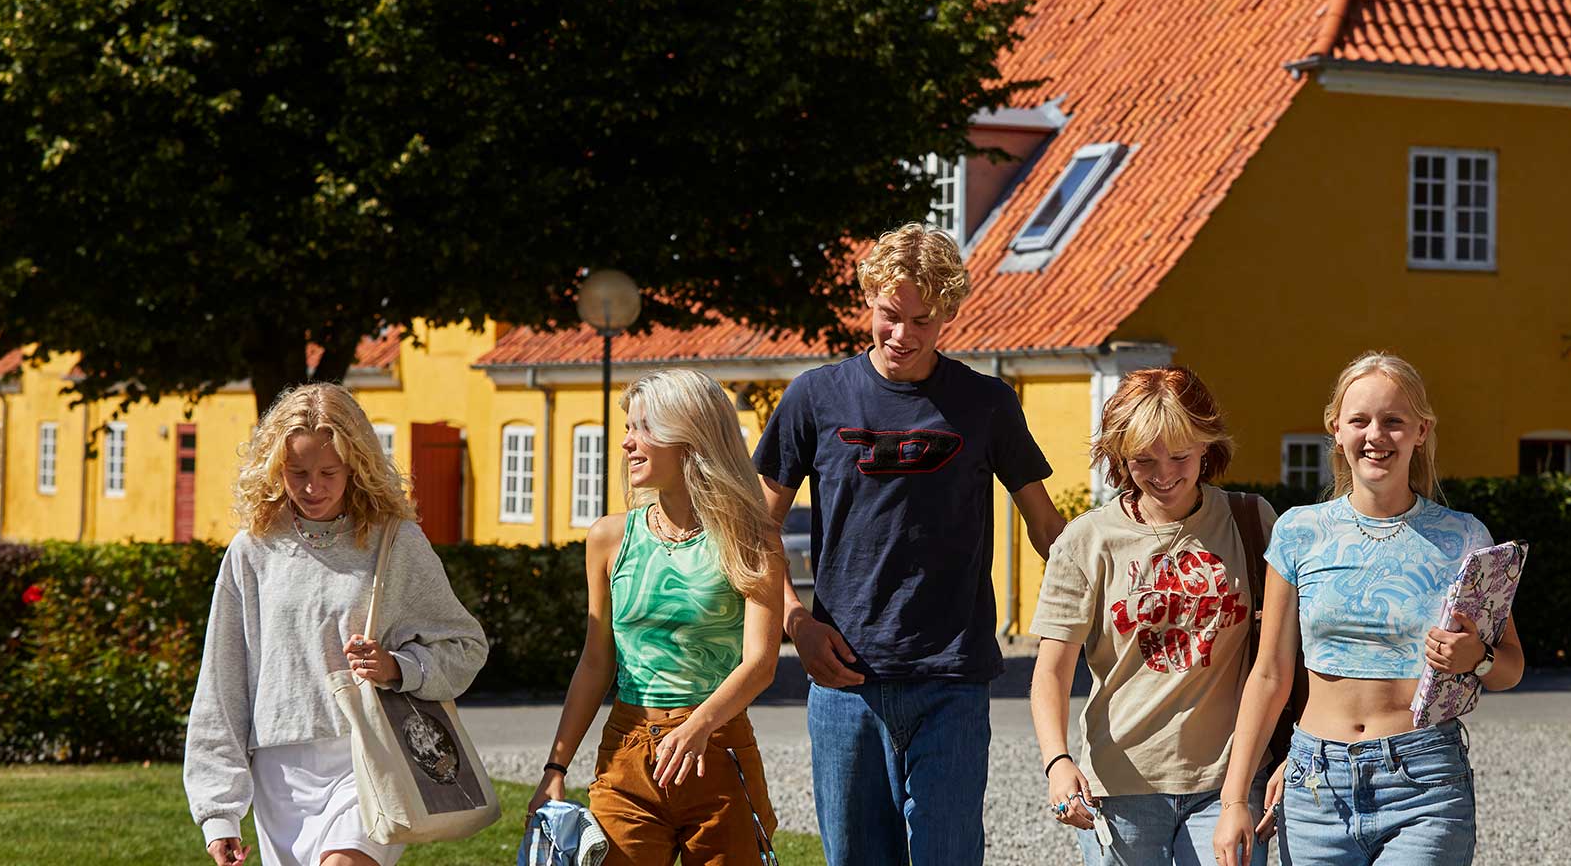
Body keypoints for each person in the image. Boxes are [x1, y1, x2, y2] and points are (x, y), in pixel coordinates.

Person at [752, 222, 1068, 865]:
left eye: (922, 320)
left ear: (949, 312)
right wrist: (794, 621)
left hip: (952, 679)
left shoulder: (986, 403)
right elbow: (756, 527)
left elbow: (1045, 526)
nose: (903, 335)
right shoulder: (815, 397)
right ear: (869, 298)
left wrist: (1098, 603)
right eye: (890, 315)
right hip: (842, 681)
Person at [1212, 353, 1525, 866]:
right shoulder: (1298, 532)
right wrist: (1233, 799)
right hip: (1316, 783)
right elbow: (1269, 673)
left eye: (1393, 421)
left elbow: (1510, 669)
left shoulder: (1465, 537)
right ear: (1336, 429)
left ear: (1420, 431)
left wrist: (1478, 657)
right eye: (1359, 420)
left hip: (1425, 782)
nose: (1375, 434)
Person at [185, 383, 489, 866]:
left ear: (356, 466)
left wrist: (398, 667)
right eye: (297, 471)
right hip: (279, 774)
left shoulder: (397, 543)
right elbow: (223, 684)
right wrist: (219, 811)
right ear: (274, 467)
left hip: (368, 756)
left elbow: (466, 647)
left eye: (329, 471)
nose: (312, 487)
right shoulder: (253, 550)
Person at [529, 368, 786, 866]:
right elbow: (595, 664)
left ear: (690, 436)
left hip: (718, 751)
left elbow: (761, 663)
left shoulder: (752, 540)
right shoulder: (608, 538)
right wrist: (555, 766)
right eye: (628, 427)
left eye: (643, 427)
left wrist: (700, 725)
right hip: (627, 757)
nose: (627, 442)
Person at [1030, 366, 1281, 865]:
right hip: (1120, 787)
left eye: (1181, 456)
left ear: (1207, 445)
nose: (1164, 474)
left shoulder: (1254, 521)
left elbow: (1284, 655)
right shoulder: (1086, 540)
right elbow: (1051, 672)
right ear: (1120, 457)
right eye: (1144, 460)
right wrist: (1057, 761)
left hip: (1230, 780)